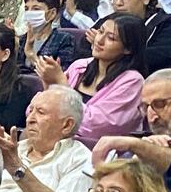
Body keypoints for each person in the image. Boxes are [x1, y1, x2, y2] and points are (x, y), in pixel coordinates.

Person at [58, 13, 148, 144]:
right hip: (60, 143)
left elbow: (95, 128)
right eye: (100, 32)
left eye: (111, 38)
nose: (99, 40)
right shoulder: (79, 67)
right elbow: (38, 112)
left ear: (128, 49)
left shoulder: (133, 82)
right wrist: (48, 84)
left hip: (100, 154)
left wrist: (62, 87)